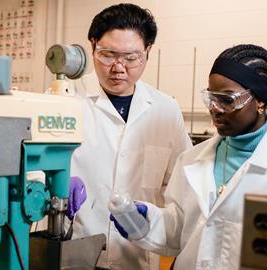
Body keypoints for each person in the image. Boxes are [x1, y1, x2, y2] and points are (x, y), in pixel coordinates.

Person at [110, 44, 267, 269]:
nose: (215, 108)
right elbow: (180, 227)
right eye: (212, 98)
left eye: (227, 100)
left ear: (260, 100)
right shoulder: (191, 159)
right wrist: (144, 221)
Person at [66, 3, 192, 270]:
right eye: (108, 55)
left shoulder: (165, 110)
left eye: (131, 57)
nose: (118, 68)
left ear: (148, 52)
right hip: (75, 249)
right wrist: (52, 186)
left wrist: (158, 221)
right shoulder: (64, 98)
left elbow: (181, 190)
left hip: (138, 255)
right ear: (92, 46)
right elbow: (30, 169)